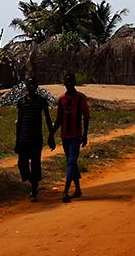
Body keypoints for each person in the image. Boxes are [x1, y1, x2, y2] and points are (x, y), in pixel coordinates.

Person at [49, 73, 90, 203]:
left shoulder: (81, 98)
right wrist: (51, 134)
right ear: (64, 84)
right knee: (71, 163)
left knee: (71, 162)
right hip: (65, 136)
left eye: (71, 82)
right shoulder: (62, 99)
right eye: (67, 82)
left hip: (76, 135)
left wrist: (85, 135)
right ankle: (77, 189)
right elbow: (59, 119)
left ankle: (65, 191)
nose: (69, 84)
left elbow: (86, 116)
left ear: (74, 82)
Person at [15, 77, 55, 201]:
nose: (31, 87)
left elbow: (48, 119)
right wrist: (17, 140)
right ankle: (32, 180)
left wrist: (51, 135)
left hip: (36, 139)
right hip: (23, 138)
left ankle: (34, 191)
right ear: (26, 86)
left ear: (37, 86)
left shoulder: (42, 101)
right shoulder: (21, 102)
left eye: (34, 85)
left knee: (36, 164)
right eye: (29, 84)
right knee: (22, 164)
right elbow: (19, 121)